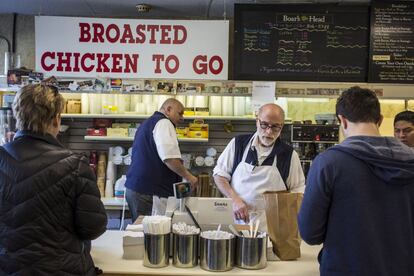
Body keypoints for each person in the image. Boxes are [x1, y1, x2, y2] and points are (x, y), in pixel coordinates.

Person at [298, 86, 414, 276]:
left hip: (345, 268)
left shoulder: (329, 163)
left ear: (342, 121)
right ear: (380, 120)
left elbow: (310, 233)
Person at [0, 84, 107, 275]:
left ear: (18, 116)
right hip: (61, 269)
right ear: (56, 119)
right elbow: (93, 228)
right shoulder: (75, 165)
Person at [213, 103, 305, 231]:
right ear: (257, 121)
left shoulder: (289, 155)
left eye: (275, 127)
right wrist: (235, 200)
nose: (269, 132)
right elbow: (220, 175)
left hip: (272, 229)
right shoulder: (238, 144)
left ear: (281, 126)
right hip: (237, 223)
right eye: (264, 125)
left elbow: (298, 191)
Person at [125, 98, 198, 221]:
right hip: (148, 191)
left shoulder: (148, 123)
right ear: (168, 110)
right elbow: (169, 158)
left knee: (141, 233)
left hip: (137, 189)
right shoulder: (164, 123)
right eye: (180, 113)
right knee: (151, 234)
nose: (182, 118)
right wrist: (189, 177)